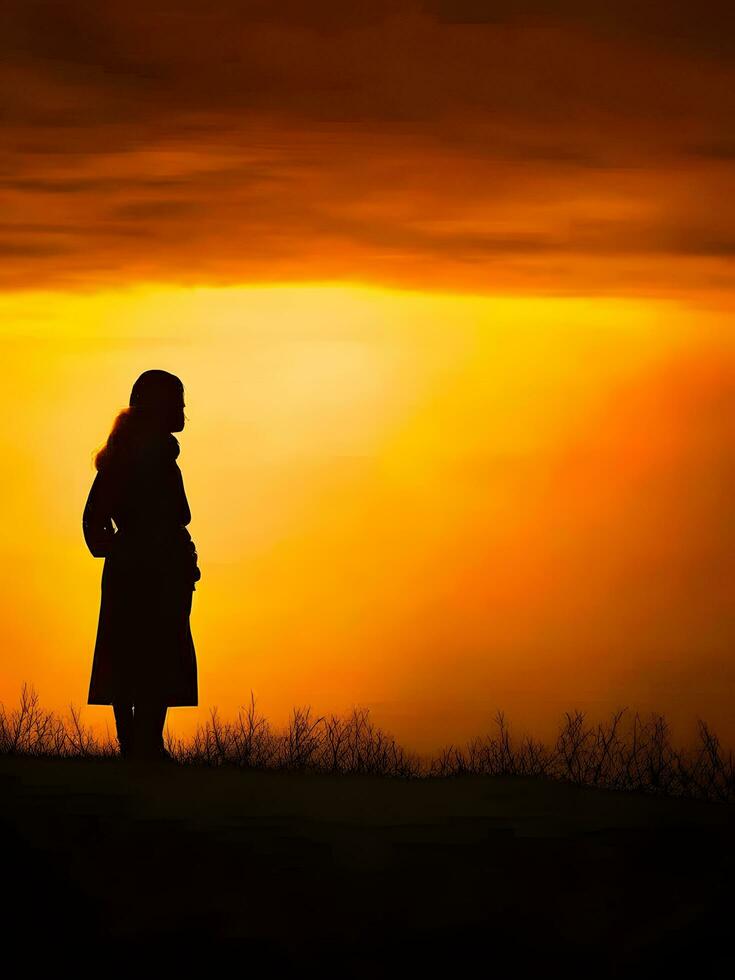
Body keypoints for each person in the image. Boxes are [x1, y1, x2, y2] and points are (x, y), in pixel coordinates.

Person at [83, 370, 201, 763]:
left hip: (159, 570)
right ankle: (138, 745)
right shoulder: (132, 457)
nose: (184, 410)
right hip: (143, 572)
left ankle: (143, 744)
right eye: (177, 402)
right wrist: (125, 551)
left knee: (152, 655)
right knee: (138, 654)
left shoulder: (145, 455)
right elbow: (95, 518)